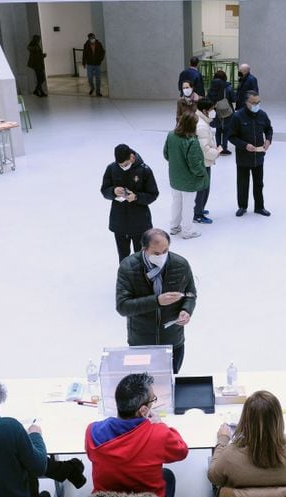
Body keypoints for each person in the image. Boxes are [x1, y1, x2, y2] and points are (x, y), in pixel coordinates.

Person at [85, 372, 189, 497]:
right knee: (168, 476)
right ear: (143, 410)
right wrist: (160, 424)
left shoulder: (92, 432)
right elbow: (182, 451)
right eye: (153, 400)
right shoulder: (159, 434)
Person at [115, 228, 198, 374]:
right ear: (144, 249)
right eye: (157, 253)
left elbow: (190, 294)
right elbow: (123, 306)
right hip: (142, 342)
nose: (162, 256)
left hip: (173, 340)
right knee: (143, 386)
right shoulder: (128, 267)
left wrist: (186, 310)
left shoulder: (180, 264)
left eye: (166, 251)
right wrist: (157, 301)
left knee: (171, 380)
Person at [207, 390, 286, 488]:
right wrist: (274, 432)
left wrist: (222, 440)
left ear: (245, 421)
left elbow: (213, 476)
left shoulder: (230, 456)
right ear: (278, 419)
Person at [101, 144, 159, 262]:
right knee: (123, 257)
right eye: (120, 165)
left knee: (141, 257)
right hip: (119, 222)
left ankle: (141, 278)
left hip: (140, 223)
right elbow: (104, 190)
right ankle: (125, 277)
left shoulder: (144, 170)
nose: (123, 167)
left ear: (132, 157)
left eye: (126, 164)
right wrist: (113, 191)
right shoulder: (111, 168)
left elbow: (153, 194)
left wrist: (137, 197)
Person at [163, 112, 208, 238]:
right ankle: (187, 231)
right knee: (188, 206)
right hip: (188, 180)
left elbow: (166, 154)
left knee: (176, 202)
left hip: (174, 177)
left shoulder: (171, 135)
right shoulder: (191, 141)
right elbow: (194, 164)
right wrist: (202, 174)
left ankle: (174, 227)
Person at [229, 91, 273, 217]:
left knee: (259, 183)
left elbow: (269, 129)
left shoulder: (262, 115)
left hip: (258, 156)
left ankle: (259, 207)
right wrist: (245, 145)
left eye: (258, 102)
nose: (256, 105)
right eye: (254, 103)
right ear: (246, 102)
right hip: (243, 157)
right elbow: (231, 137)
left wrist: (268, 140)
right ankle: (242, 206)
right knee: (242, 183)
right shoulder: (237, 117)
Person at [193, 99, 221, 224]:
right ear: (205, 110)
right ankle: (197, 213)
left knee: (204, 188)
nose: (213, 112)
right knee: (203, 189)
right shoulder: (202, 126)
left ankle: (200, 209)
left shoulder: (202, 121)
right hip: (203, 162)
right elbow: (204, 149)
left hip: (203, 161)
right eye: (212, 109)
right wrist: (216, 153)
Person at [207, 69, 235, 155]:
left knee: (218, 129)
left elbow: (208, 98)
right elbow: (234, 98)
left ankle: (219, 147)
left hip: (217, 110)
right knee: (226, 130)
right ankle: (224, 148)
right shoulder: (228, 87)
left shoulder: (212, 87)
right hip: (227, 110)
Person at [82, 32, 106, 97]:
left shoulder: (99, 44)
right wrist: (84, 63)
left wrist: (100, 59)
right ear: (89, 38)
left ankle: (98, 91)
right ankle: (92, 88)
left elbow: (103, 52)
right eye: (91, 38)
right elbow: (84, 54)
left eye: (93, 37)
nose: (93, 39)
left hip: (97, 64)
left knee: (98, 78)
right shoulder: (86, 45)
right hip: (89, 64)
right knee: (90, 77)